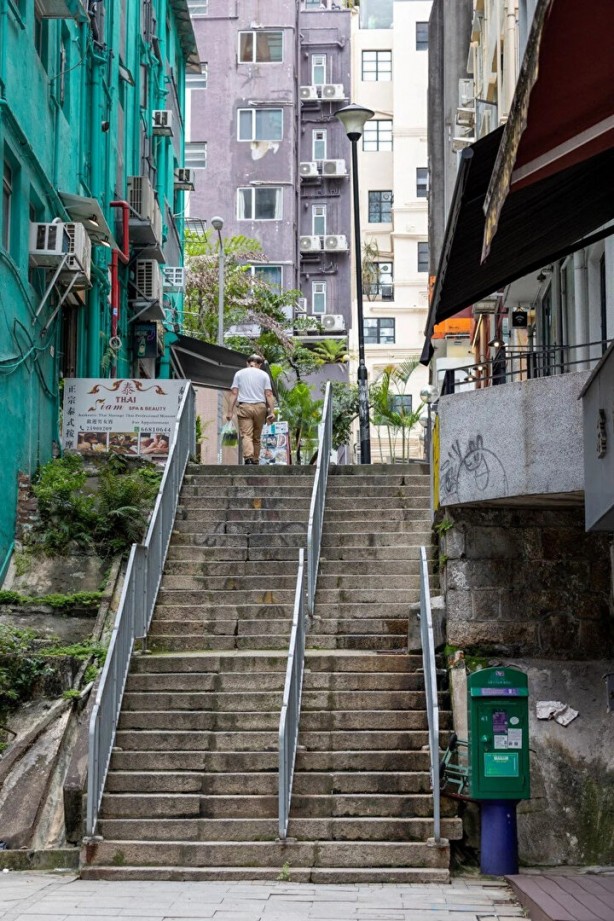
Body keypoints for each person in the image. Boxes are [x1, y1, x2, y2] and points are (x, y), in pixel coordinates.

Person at [227, 354, 276, 464]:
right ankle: (255, 460)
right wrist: (272, 412)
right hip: (260, 407)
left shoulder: (239, 374)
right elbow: (269, 394)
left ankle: (248, 458)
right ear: (260, 364)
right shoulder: (264, 375)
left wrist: (229, 411)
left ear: (247, 363)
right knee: (256, 436)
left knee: (246, 435)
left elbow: (234, 393)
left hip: (245, 407)